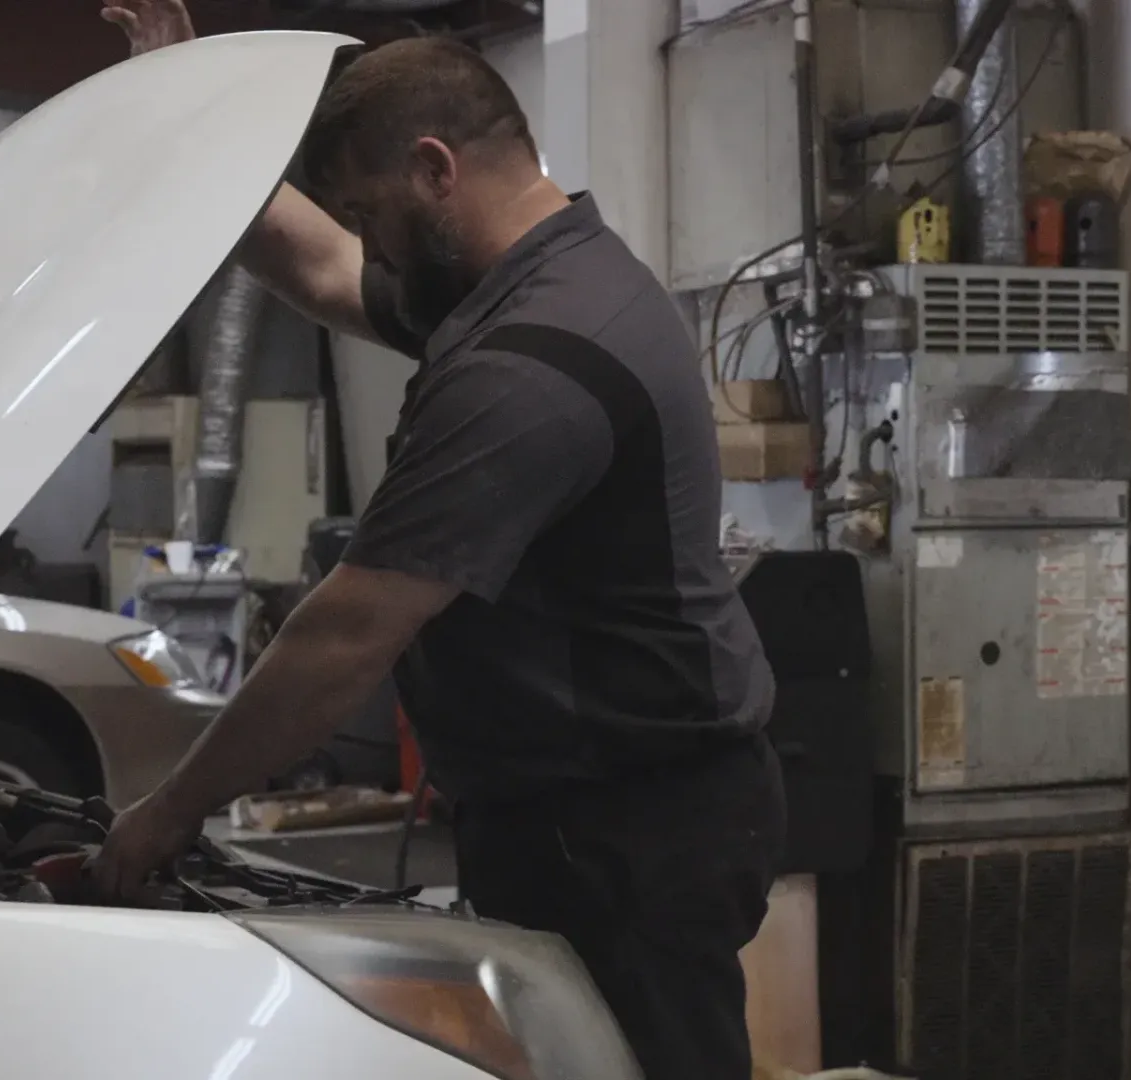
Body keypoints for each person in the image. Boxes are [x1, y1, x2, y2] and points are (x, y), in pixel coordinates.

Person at [90, 5, 786, 1078]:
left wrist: (170, 811)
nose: (365, 238)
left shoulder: (532, 363)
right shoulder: (529, 283)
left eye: (372, 209)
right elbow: (319, 267)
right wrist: (192, 113)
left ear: (433, 170)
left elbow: (347, 636)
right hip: (596, 812)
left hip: (629, 834)